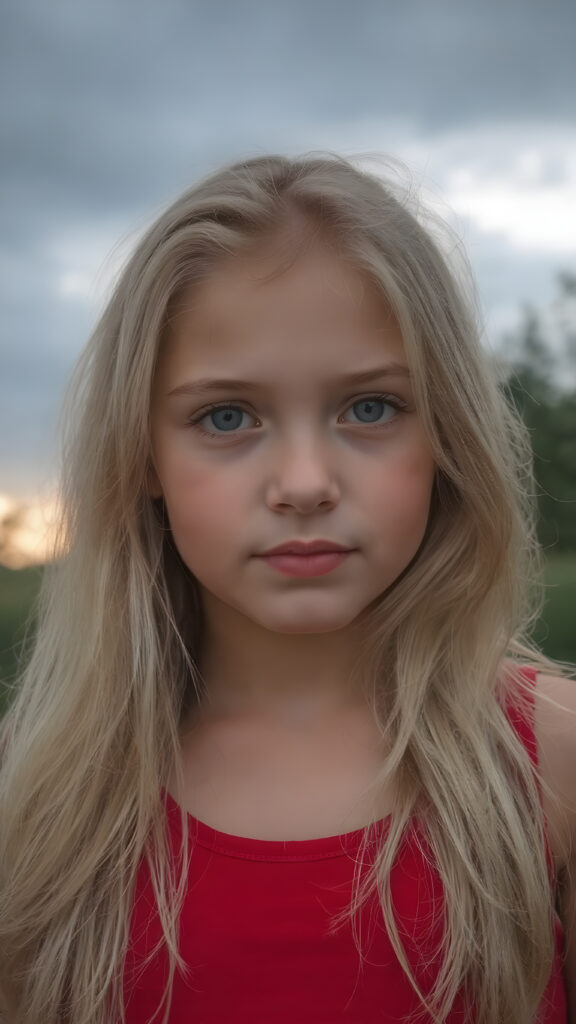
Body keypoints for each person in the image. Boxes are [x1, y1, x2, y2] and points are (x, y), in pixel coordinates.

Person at [0, 153, 574, 1024]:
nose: (304, 482)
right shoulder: (38, 802)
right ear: (142, 455)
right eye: (226, 417)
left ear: (447, 431)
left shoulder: (554, 766)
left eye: (370, 408)